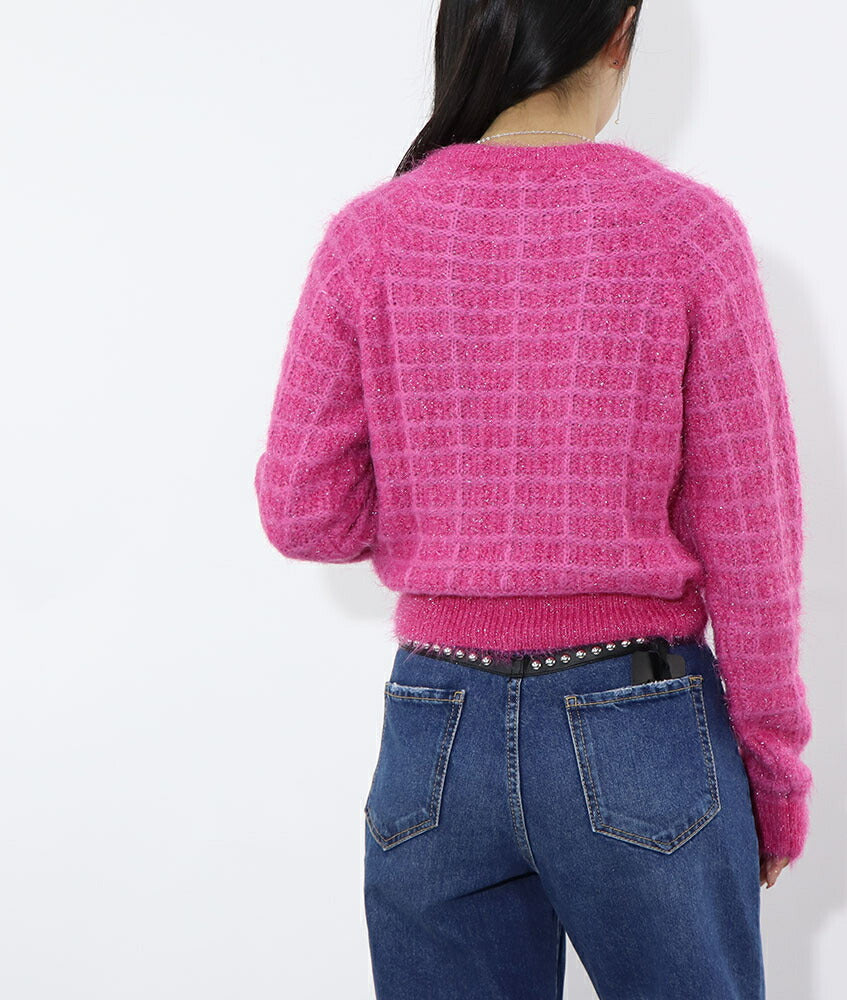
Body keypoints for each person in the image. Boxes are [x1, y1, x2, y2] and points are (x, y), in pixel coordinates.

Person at [254, 2, 814, 996]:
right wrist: (774, 774)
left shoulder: (370, 236)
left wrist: (449, 505)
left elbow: (304, 509)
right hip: (641, 725)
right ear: (619, 31)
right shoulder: (685, 231)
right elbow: (752, 539)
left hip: (437, 728)